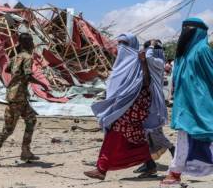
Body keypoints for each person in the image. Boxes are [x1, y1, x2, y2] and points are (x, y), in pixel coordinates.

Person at [84, 33, 166, 180]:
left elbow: (147, 82)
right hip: (124, 106)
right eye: (119, 43)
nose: (121, 46)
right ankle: (149, 163)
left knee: (115, 133)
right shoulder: (122, 62)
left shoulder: (140, 59)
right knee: (134, 137)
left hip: (134, 105)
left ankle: (101, 169)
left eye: (124, 43)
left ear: (132, 45)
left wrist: (142, 64)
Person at [0, 33, 49, 167]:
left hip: (18, 96)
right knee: (8, 129)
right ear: (28, 43)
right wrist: (42, 84)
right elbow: (27, 75)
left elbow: (7, 69)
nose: (33, 44)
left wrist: (16, 75)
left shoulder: (16, 57)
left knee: (31, 120)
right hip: (18, 97)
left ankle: (25, 151)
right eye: (31, 41)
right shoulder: (27, 58)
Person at [161, 18, 213, 185]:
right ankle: (174, 172)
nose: (186, 31)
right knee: (184, 136)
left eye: (190, 29)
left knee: (205, 135)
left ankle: (175, 172)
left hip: (201, 103)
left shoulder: (202, 49)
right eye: (185, 28)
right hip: (185, 103)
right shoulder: (182, 53)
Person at [133, 40, 174, 178]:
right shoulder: (152, 62)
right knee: (146, 134)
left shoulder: (157, 61)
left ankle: (172, 155)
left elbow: (149, 57)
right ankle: (149, 163)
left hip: (153, 102)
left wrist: (150, 46)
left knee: (152, 132)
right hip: (149, 100)